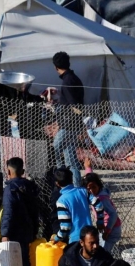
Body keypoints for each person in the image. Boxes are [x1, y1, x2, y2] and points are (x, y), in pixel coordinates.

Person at [0, 157, 39, 266]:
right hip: (28, 229)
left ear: (8, 171)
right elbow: (36, 211)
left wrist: (5, 233)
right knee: (25, 261)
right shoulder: (31, 187)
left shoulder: (10, 189)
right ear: (22, 171)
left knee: (16, 263)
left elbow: (8, 212)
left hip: (14, 231)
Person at [52, 51, 84, 187]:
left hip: (69, 125)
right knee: (71, 158)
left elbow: (73, 104)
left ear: (56, 67)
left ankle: (61, 176)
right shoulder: (73, 78)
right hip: (72, 124)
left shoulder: (68, 81)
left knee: (55, 147)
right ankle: (75, 184)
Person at [53, 167, 104, 244]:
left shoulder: (61, 201)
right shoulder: (83, 191)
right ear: (71, 179)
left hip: (76, 240)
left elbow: (65, 227)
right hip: (89, 236)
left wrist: (57, 238)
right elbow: (99, 205)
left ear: (57, 183)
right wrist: (100, 222)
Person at [83, 169, 121, 253]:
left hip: (111, 228)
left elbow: (113, 214)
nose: (91, 190)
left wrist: (107, 231)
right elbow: (91, 180)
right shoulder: (100, 193)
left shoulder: (101, 199)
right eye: (88, 189)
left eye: (94, 187)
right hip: (107, 227)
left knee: (103, 253)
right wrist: (88, 168)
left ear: (99, 185)